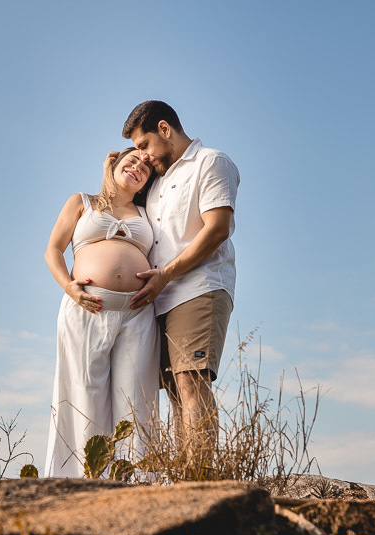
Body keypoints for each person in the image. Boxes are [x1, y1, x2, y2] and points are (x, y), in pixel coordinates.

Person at [120, 100, 240, 474]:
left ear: (165, 129)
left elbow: (217, 229)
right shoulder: (155, 184)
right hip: (161, 298)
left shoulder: (211, 162)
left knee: (191, 381)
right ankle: (185, 476)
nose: (142, 156)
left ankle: (199, 480)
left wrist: (167, 274)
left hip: (198, 287)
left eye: (143, 146)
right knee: (173, 390)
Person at [42, 148, 159, 478]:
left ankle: (136, 487)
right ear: (113, 164)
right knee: (85, 394)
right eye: (130, 161)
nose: (137, 167)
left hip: (136, 315)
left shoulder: (148, 212)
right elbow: (53, 249)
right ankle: (81, 483)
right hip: (87, 309)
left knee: (135, 401)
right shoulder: (82, 202)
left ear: (146, 184)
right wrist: (69, 287)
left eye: (145, 169)